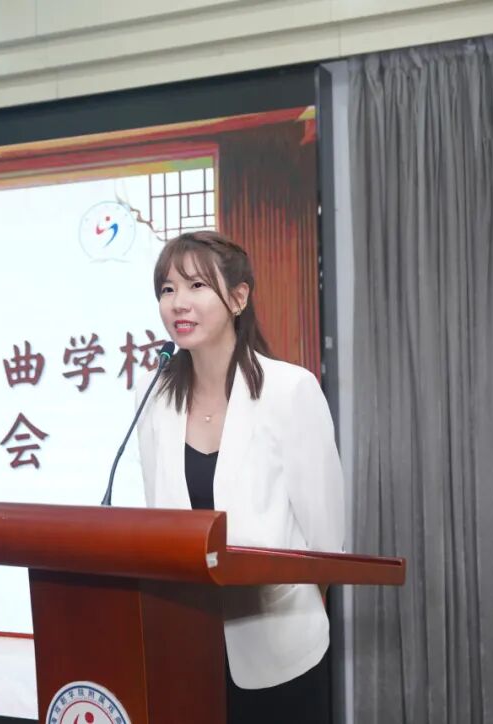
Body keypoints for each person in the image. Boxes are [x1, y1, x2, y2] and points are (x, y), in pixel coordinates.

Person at [134, 230, 345, 723]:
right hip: (187, 647)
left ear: (238, 297)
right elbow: (159, 524)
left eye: (196, 286)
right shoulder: (154, 397)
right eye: (167, 289)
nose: (178, 303)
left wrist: (284, 606)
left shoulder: (290, 390)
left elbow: (326, 542)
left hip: (281, 650)